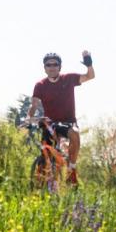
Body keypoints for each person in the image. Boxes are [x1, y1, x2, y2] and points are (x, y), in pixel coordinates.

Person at [27, 51, 95, 185]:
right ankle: (40, 185)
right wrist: (28, 119)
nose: (52, 67)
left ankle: (71, 169)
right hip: (50, 123)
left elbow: (90, 76)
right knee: (46, 155)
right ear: (44, 68)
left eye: (55, 64)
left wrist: (89, 63)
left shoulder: (68, 79)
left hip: (67, 122)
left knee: (75, 133)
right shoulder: (40, 85)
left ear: (60, 67)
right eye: (48, 65)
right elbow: (33, 105)